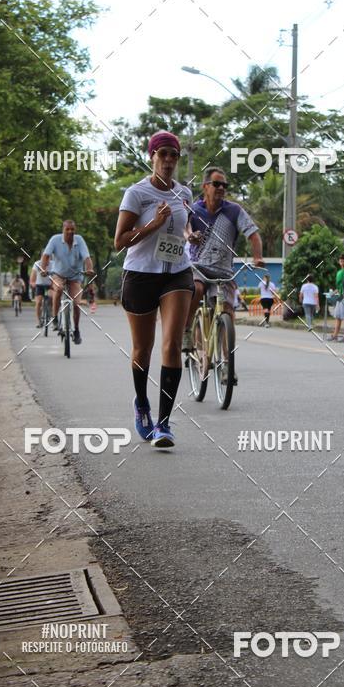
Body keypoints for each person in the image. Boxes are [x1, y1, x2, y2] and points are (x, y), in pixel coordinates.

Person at [114, 130, 194, 449]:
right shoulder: (136, 194)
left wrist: (189, 235)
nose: (169, 161)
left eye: (174, 155)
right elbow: (119, 241)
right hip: (140, 274)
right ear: (152, 157)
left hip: (177, 273)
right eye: (163, 154)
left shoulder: (184, 193)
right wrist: (151, 226)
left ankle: (163, 424)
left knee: (172, 344)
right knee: (142, 350)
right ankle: (142, 404)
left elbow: (183, 227)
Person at [184, 167, 264, 350]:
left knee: (226, 311)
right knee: (196, 288)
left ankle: (228, 364)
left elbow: (253, 235)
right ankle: (186, 330)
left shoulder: (234, 211)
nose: (221, 188)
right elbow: (183, 227)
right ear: (205, 186)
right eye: (216, 184)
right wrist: (189, 235)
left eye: (224, 185)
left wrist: (257, 257)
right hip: (198, 267)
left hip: (223, 272)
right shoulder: (194, 210)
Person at [41, 220, 94, 345]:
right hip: (58, 275)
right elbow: (46, 256)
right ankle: (54, 317)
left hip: (75, 277)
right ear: (63, 230)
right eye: (67, 229)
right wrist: (44, 268)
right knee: (58, 288)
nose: (70, 232)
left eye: (72, 229)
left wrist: (89, 269)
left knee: (76, 303)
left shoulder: (79, 240)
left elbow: (87, 257)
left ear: (75, 230)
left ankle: (76, 330)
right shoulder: (55, 239)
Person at [329, 253, 344, 342]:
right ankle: (335, 335)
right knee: (338, 316)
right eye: (341, 261)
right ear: (339, 262)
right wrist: (333, 293)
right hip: (340, 297)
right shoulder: (339, 272)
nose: (342, 262)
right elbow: (339, 287)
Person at [29, 253, 52, 328]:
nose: (46, 260)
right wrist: (32, 283)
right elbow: (33, 275)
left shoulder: (53, 264)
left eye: (47, 258)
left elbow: (57, 275)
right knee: (38, 302)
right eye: (44, 258)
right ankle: (39, 321)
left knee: (52, 298)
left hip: (50, 285)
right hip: (39, 284)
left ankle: (52, 317)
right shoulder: (37, 264)